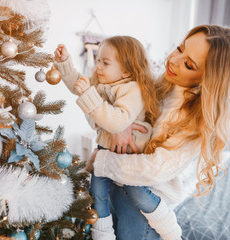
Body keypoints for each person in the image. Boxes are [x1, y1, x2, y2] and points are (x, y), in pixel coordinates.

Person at [86, 24, 230, 240]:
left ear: (206, 79)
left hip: (140, 210)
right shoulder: (157, 84)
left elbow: (154, 169)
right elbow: (108, 109)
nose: (173, 60)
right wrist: (118, 125)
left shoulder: (194, 122)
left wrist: (102, 160)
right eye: (180, 49)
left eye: (189, 64)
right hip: (113, 188)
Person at [53, 36, 182, 240]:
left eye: (105, 62)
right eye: (97, 60)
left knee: (137, 192)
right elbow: (79, 83)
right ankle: (103, 234)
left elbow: (117, 122)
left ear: (126, 71)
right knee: (97, 192)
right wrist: (65, 63)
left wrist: (89, 94)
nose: (98, 67)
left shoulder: (131, 89)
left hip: (127, 157)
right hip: (106, 151)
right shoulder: (104, 83)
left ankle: (169, 228)